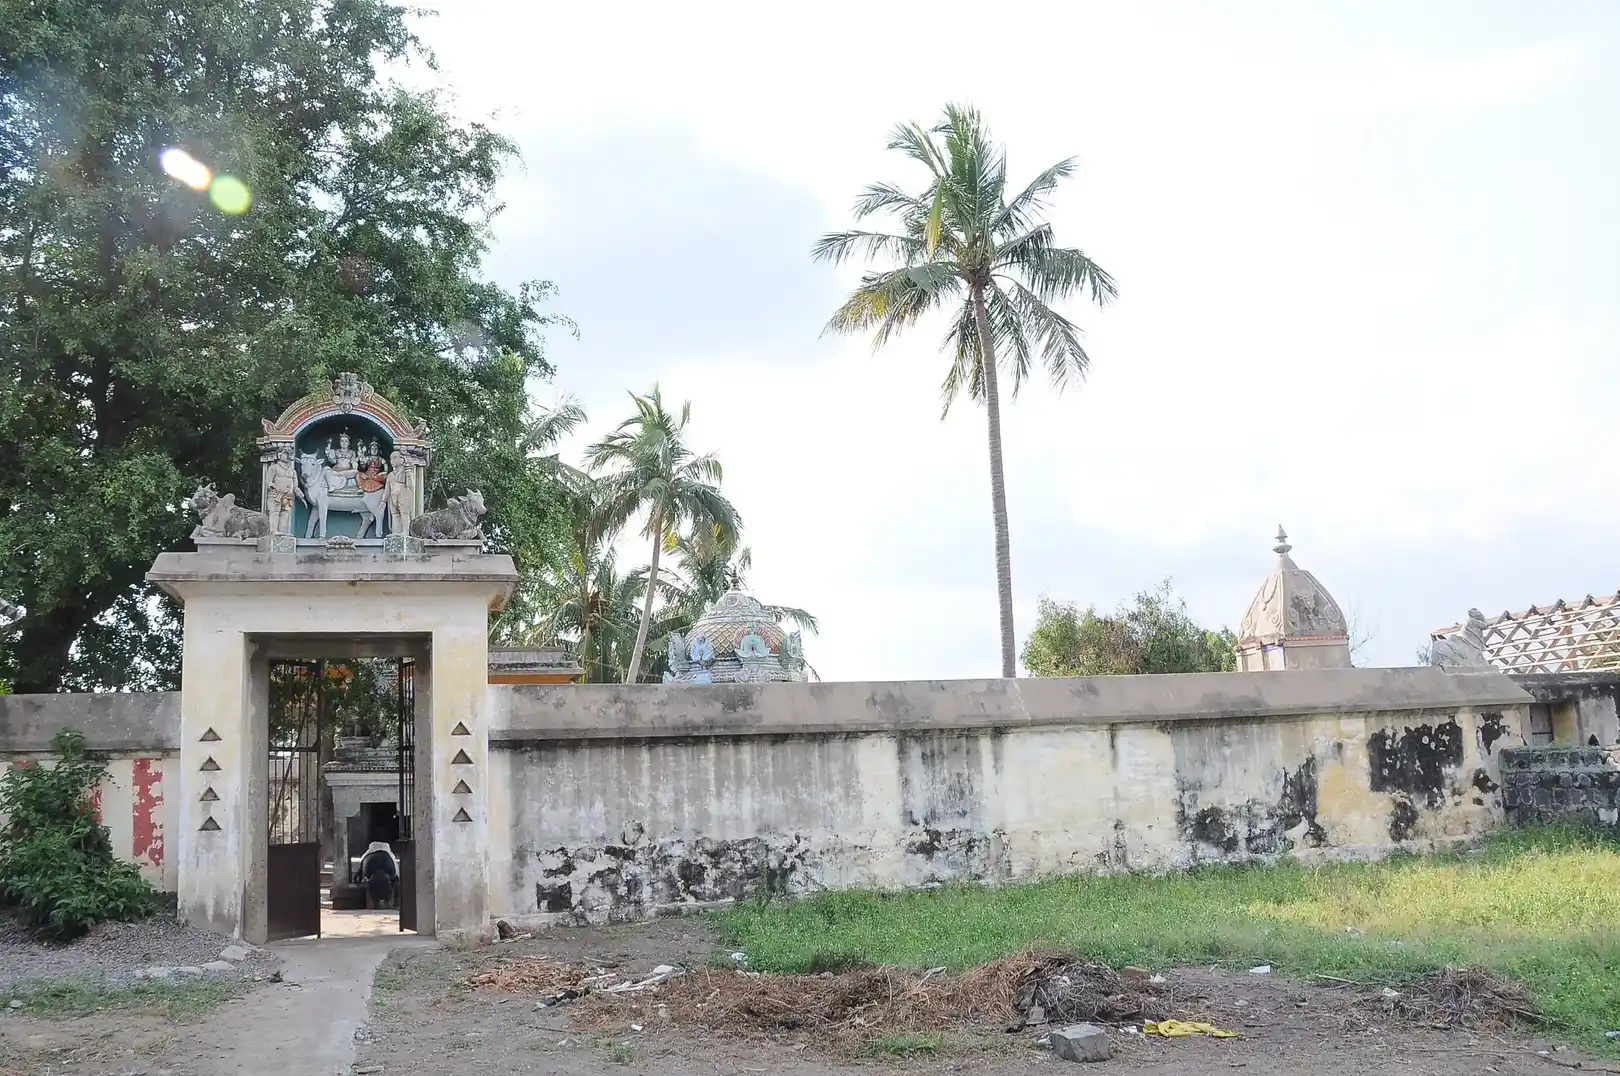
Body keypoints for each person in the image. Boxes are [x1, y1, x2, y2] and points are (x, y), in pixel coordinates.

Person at [264, 446, 306, 535]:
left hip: (288, 496)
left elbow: (295, 485)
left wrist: (300, 495)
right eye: (286, 453)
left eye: (290, 454)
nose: (289, 456)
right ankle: (273, 530)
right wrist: (275, 487)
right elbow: (268, 482)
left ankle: (282, 531)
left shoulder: (292, 471)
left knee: (285, 513)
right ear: (279, 455)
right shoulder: (274, 468)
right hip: (276, 495)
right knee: (275, 512)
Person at [384, 451, 413, 536]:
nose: (392, 460)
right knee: (395, 514)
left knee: (404, 514)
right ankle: (395, 532)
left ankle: (405, 532)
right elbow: (387, 490)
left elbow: (411, 486)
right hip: (393, 496)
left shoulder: (405, 472)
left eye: (395, 458)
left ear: (402, 460)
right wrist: (383, 501)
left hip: (403, 494)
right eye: (391, 459)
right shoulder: (390, 475)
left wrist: (409, 475)